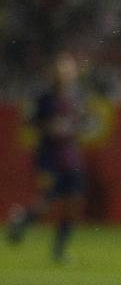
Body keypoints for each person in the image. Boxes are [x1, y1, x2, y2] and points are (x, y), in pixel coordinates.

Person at [7, 53, 87, 263]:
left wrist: (78, 126)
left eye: (69, 70)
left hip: (70, 158)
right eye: (62, 70)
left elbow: (81, 121)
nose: (65, 74)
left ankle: (59, 250)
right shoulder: (44, 97)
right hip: (50, 157)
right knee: (47, 202)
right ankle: (23, 220)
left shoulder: (77, 96)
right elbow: (30, 121)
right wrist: (49, 127)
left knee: (72, 205)